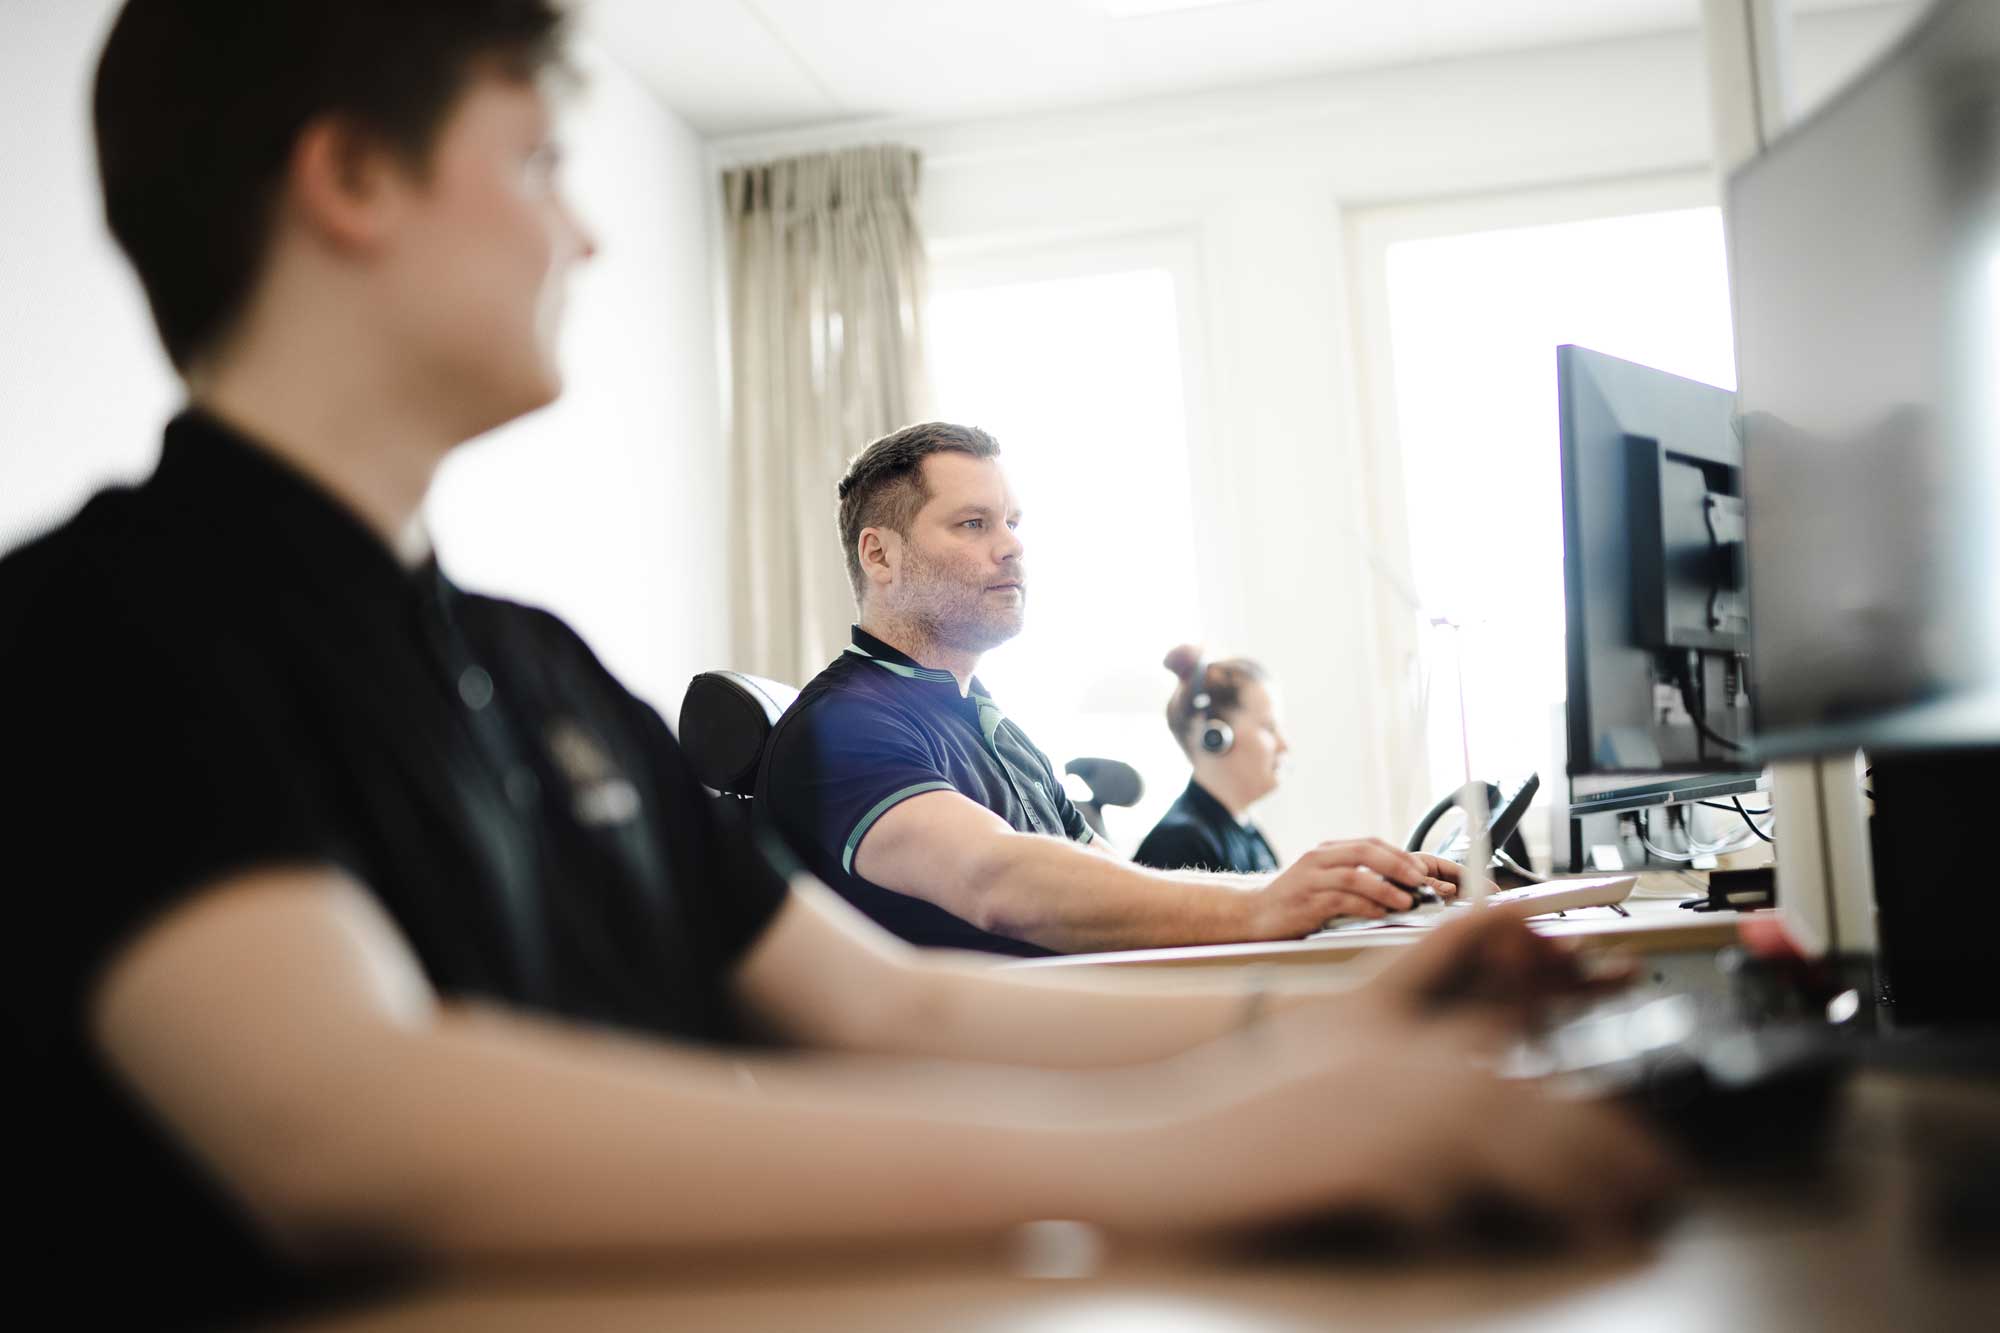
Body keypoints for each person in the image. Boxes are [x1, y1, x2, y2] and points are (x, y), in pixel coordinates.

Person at [0, 3, 1677, 1325]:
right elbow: (351, 1127)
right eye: (534, 168)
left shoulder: (536, 670)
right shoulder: (99, 631)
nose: (582, 241)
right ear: (351, 177)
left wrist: (1328, 1021)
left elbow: (883, 998)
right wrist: (1187, 1151)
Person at [757, 424, 1459, 958]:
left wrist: (1344, 891)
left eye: (1013, 522)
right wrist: (1263, 909)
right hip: (970, 1101)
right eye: (974, 523)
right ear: (879, 554)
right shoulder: (844, 726)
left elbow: (1112, 878)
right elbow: (996, 880)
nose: (1011, 546)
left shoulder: (991, 724)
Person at [1132, 645, 1285, 875]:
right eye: (1268, 727)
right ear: (1216, 736)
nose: (1284, 746)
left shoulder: (1246, 833)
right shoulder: (1179, 844)